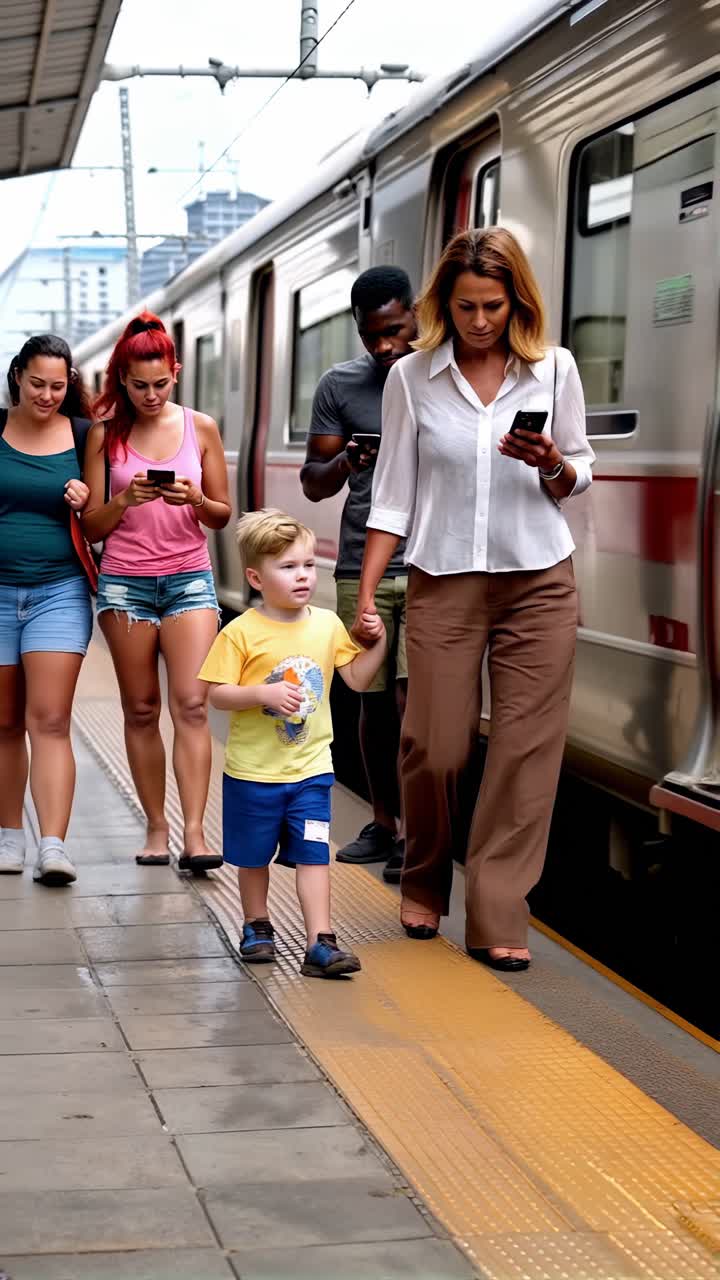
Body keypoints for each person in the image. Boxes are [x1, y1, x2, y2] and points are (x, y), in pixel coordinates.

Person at [353, 227, 595, 971]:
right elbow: (392, 496)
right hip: (442, 582)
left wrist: (552, 460)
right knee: (435, 744)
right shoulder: (412, 379)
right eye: (465, 307)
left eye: (493, 305)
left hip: (539, 582)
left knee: (526, 751)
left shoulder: (552, 370)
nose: (480, 321)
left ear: (515, 301)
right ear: (443, 304)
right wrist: (366, 597)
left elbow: (579, 472)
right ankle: (424, 874)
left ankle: (497, 911)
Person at [198, 509, 386, 977]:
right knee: (253, 856)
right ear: (255, 577)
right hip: (252, 774)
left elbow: (358, 680)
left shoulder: (326, 625)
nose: (303, 576)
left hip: (311, 771)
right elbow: (216, 695)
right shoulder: (240, 631)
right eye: (287, 567)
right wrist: (261, 693)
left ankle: (320, 942)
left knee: (314, 854)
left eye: (308, 565)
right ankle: (257, 924)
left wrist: (377, 644)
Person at [82, 313, 231, 870]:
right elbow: (92, 527)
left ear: (177, 372)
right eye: (138, 384)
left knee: (192, 704)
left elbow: (221, 516)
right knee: (141, 709)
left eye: (160, 383)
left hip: (189, 578)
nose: (150, 395)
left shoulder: (202, 427)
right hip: (124, 584)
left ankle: (194, 833)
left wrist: (192, 498)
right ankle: (156, 826)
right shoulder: (104, 436)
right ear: (121, 379)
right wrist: (126, 502)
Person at [300, 266, 416, 881]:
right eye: (372, 336)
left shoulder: (439, 377)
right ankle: (384, 823)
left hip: (430, 562)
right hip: (358, 562)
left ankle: (416, 837)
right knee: (370, 701)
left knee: (413, 700)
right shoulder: (339, 386)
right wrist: (347, 458)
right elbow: (313, 483)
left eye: (394, 330)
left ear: (417, 314)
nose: (385, 347)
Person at [0, 335, 94, 885]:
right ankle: (9, 837)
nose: (47, 395)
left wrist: (90, 503)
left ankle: (53, 846)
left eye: (58, 386)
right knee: (6, 723)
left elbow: (110, 513)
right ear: (17, 376)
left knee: (51, 720)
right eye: (37, 383)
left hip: (58, 590)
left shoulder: (83, 435)